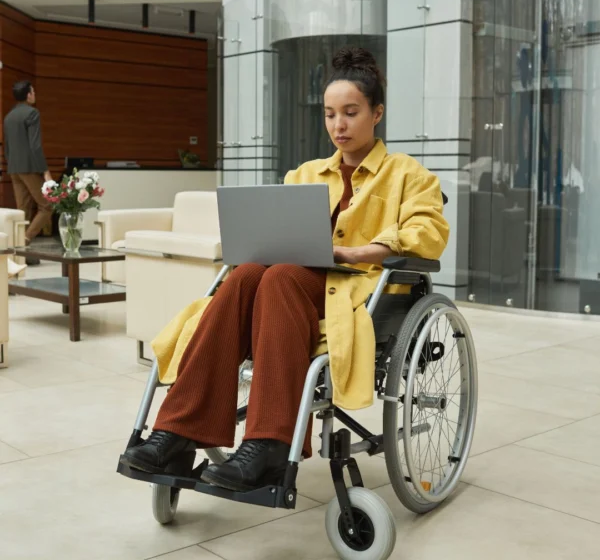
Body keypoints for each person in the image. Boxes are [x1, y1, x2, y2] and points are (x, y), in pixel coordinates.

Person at [122, 47, 450, 493]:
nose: (339, 124)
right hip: (290, 285)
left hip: (360, 292)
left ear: (377, 113)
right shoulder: (306, 174)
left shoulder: (409, 175)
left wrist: (359, 252)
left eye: (351, 113)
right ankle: (177, 435)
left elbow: (429, 234)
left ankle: (269, 445)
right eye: (330, 114)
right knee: (245, 276)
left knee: (277, 277)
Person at [4, 81, 52, 249]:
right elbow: (35, 145)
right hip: (29, 167)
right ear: (28, 95)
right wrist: (45, 171)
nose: (34, 94)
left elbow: (7, 146)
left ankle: (19, 250)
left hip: (14, 168)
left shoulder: (8, 116)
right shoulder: (32, 113)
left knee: (22, 210)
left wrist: (12, 166)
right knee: (47, 206)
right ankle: (25, 241)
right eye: (33, 92)